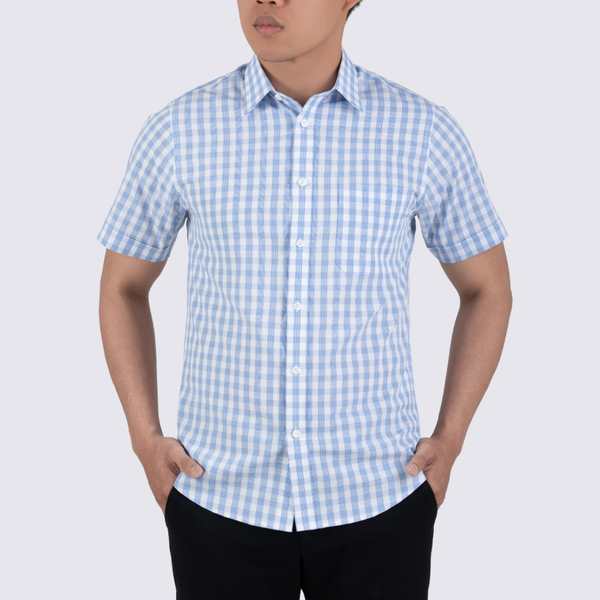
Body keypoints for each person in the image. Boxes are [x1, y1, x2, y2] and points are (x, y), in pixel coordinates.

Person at [97, 1, 512, 598]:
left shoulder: (423, 132)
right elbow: (123, 286)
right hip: (218, 496)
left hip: (379, 496)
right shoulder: (179, 130)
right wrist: (144, 437)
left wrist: (450, 438)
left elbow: (487, 289)